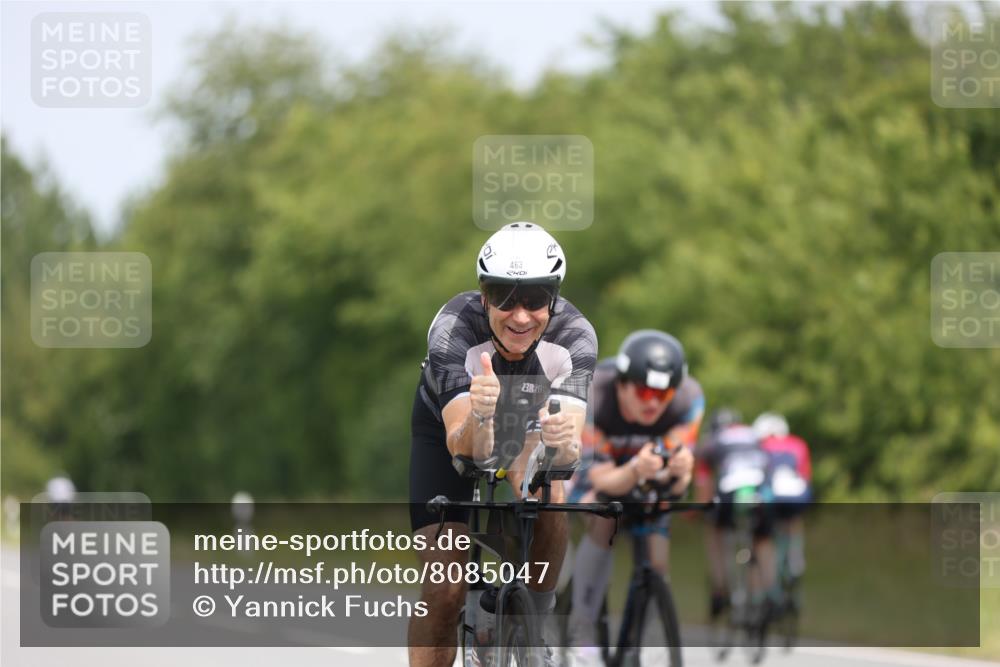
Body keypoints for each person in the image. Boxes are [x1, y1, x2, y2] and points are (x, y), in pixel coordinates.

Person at [408, 222, 597, 667]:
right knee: (444, 588)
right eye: (504, 297)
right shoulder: (453, 326)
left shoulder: (575, 334)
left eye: (534, 299)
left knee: (551, 490)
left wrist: (562, 444)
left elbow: (567, 451)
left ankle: (537, 622)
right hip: (450, 430)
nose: (520, 315)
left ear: (554, 297)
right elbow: (464, 449)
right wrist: (480, 412)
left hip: (527, 420)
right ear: (483, 295)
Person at [565, 330, 703, 665]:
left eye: (663, 394)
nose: (653, 402)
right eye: (643, 391)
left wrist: (682, 471)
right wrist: (635, 471)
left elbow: (677, 484)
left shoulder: (689, 399)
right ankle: (581, 624)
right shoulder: (594, 395)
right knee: (603, 518)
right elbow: (596, 477)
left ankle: (637, 637)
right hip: (598, 475)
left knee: (656, 559)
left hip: (645, 477)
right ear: (623, 384)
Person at [695, 408, 777, 625]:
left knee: (715, 531)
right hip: (760, 489)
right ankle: (767, 593)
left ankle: (720, 591)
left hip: (731, 490)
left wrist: (699, 511)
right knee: (762, 540)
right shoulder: (753, 434)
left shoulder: (711, 442)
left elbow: (704, 485)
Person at [753, 412, 812, 601]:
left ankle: (769, 589)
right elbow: (805, 476)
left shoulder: (760, 446)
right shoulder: (798, 443)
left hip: (772, 496)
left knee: (763, 537)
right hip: (798, 494)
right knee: (794, 519)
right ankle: (795, 558)